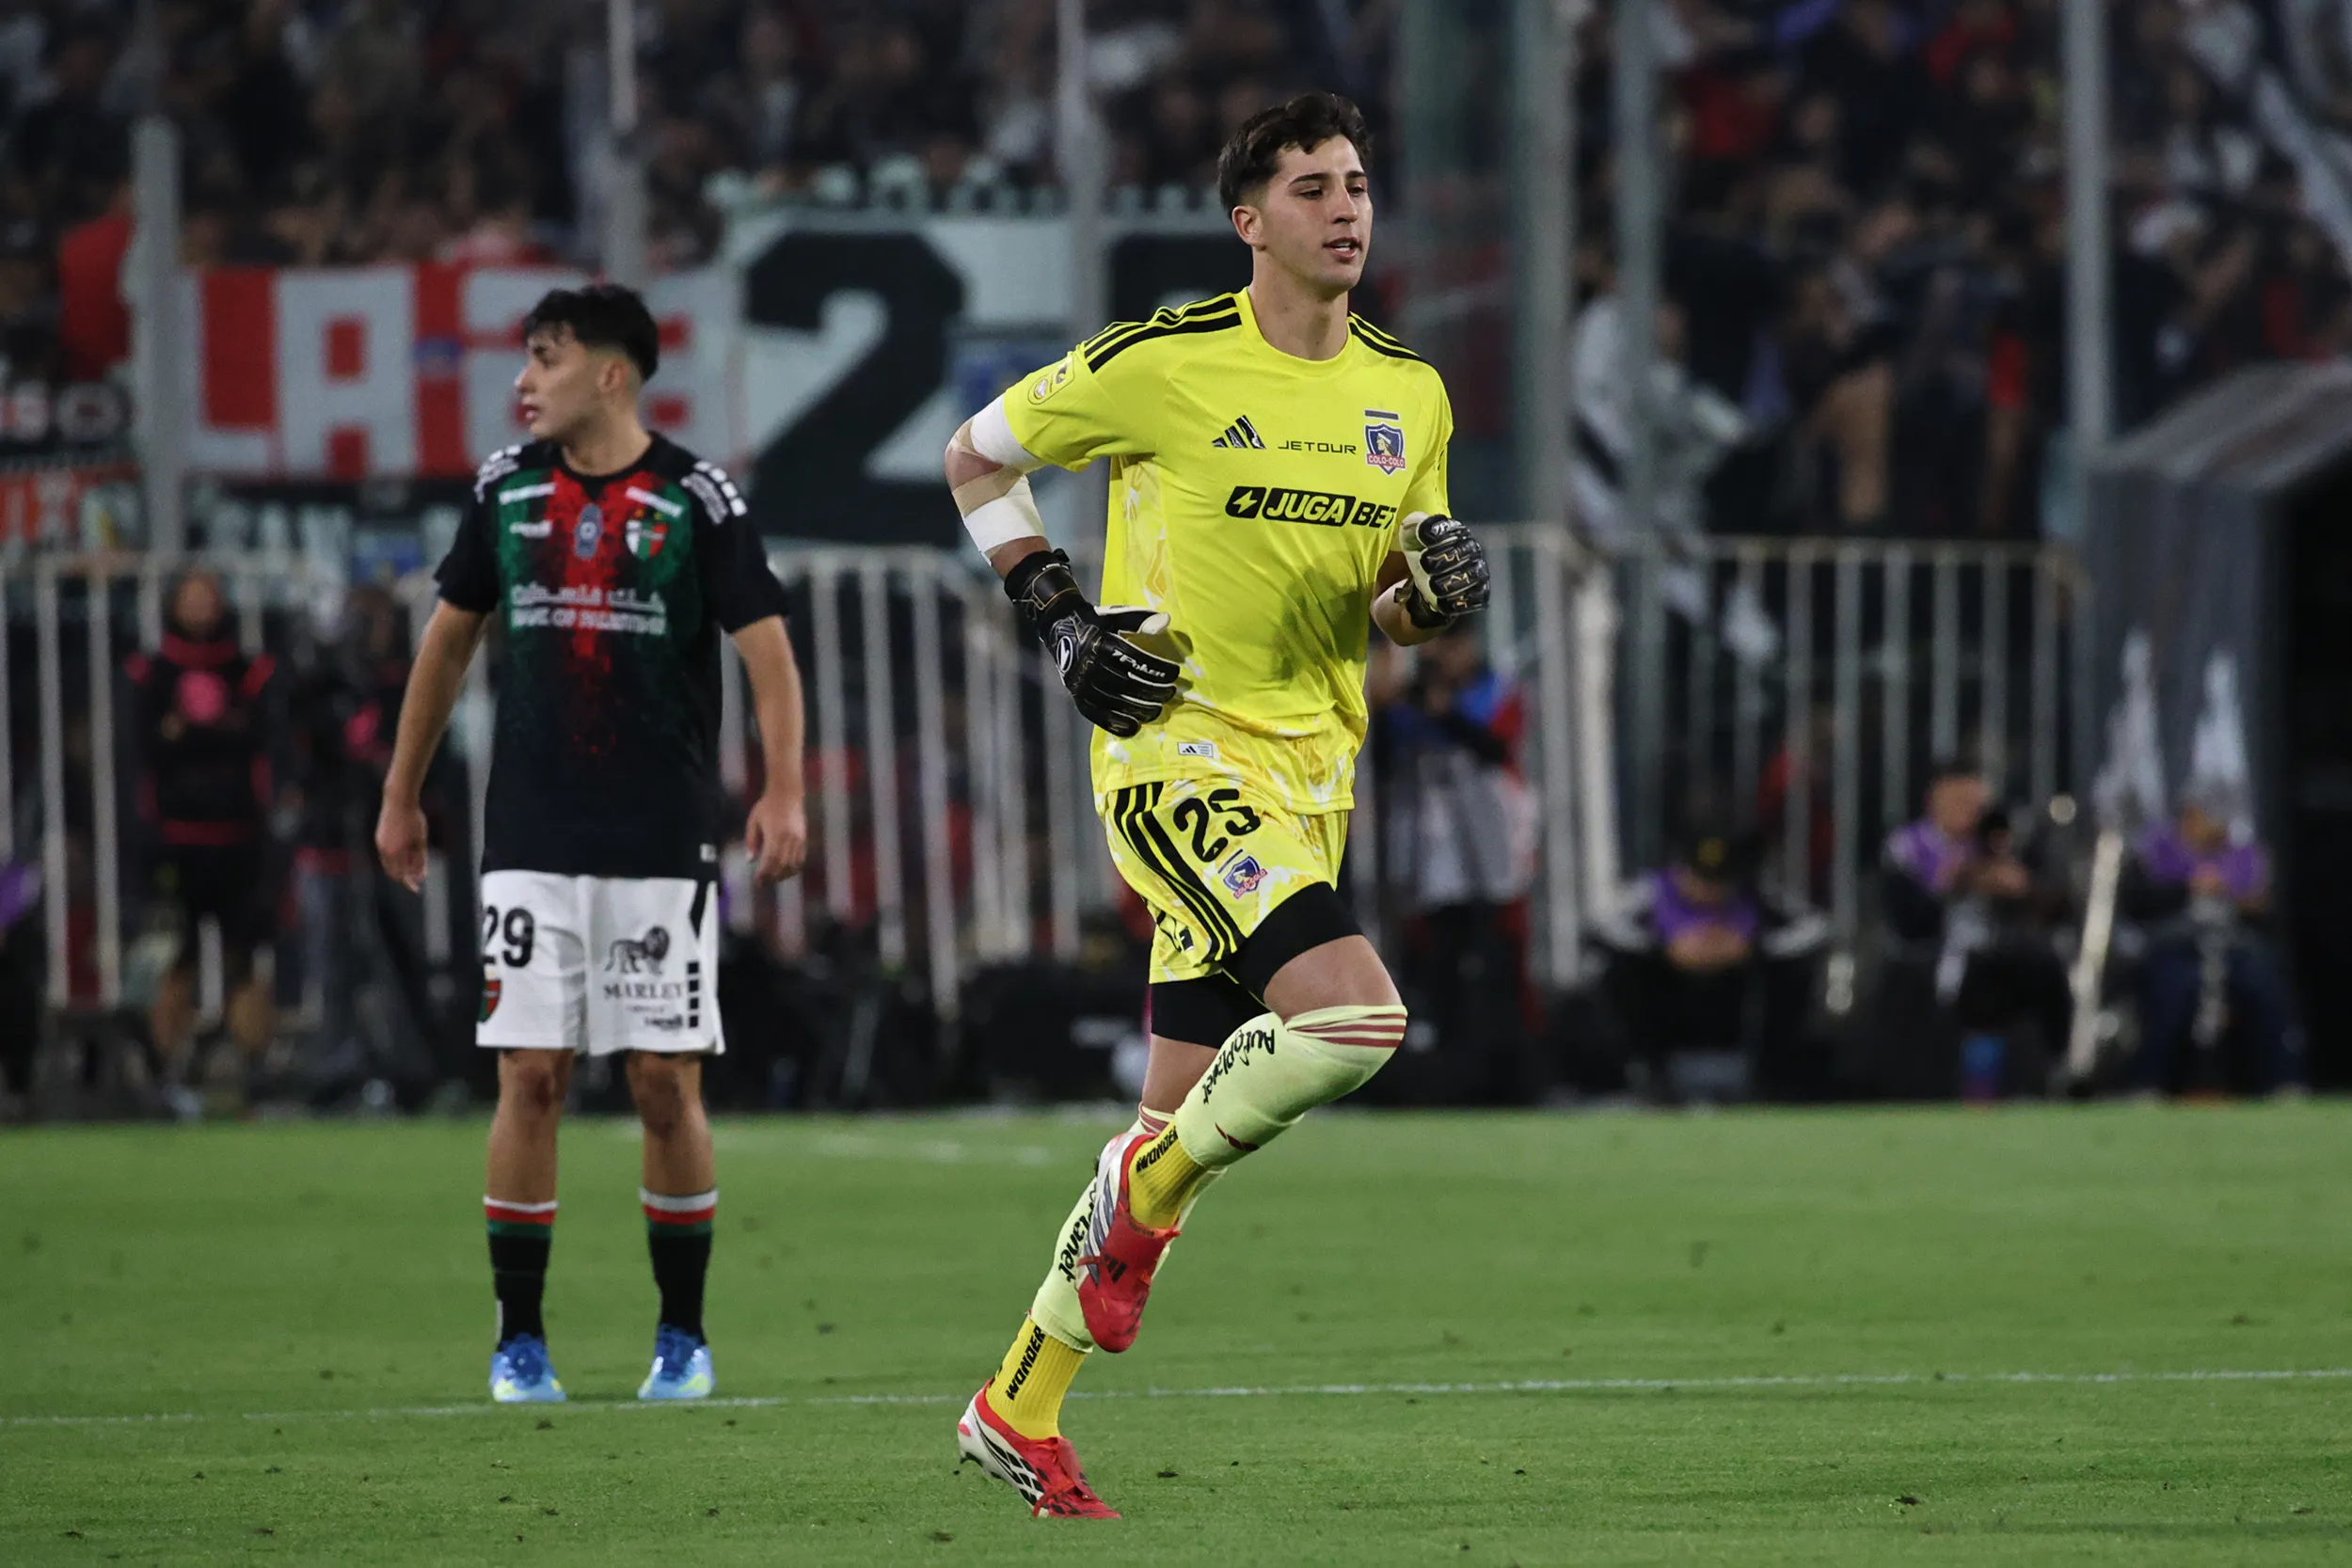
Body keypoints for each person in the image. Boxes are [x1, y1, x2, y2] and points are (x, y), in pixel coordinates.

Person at [939, 93, 1490, 1517]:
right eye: (1312, 187)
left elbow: (1384, 599)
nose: (1347, 207)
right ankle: (1140, 1196)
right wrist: (1054, 608)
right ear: (1251, 223)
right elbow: (975, 456)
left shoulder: (1408, 396)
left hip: (1316, 774)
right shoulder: (1166, 364)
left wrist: (1419, 605)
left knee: (1171, 1117)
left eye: (1359, 182)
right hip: (1176, 753)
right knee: (1355, 1017)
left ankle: (1017, 1405)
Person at [374, 284, 809, 1406]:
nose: (525, 379)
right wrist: (401, 792)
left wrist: (783, 790)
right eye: (526, 358)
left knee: (664, 1081)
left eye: (547, 358)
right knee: (530, 1073)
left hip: (660, 836)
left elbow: (766, 651)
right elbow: (447, 642)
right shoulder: (504, 488)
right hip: (530, 828)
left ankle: (682, 1334)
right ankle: (519, 1337)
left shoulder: (696, 497)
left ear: (612, 373)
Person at [125, 569, 278, 1116]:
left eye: (209, 595)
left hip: (239, 843)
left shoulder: (250, 671)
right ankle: (162, 1079)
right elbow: (148, 750)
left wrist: (190, 736)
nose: (201, 605)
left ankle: (255, 1082)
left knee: (244, 962)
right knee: (175, 963)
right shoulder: (150, 672)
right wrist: (216, 737)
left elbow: (259, 740)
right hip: (176, 844)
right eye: (191, 595)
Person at [1880, 760, 2072, 1097]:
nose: (1970, 813)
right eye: (1960, 803)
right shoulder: (1908, 848)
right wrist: (1953, 884)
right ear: (1935, 803)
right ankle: (1978, 1092)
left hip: (2003, 953)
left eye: (1977, 805)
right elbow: (1908, 922)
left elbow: (2058, 906)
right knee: (1987, 985)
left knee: (2045, 969)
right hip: (1936, 959)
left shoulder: (2003, 844)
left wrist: (2023, 889)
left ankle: (2058, 1073)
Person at [1594, 828, 1825, 1101]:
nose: (1710, 893)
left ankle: (1770, 1079)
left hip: (1735, 1004)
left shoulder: (1758, 897)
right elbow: (1602, 928)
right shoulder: (1650, 894)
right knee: (1618, 973)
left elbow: (1815, 929)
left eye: (1719, 883)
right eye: (1701, 881)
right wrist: (1665, 950)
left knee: (1793, 975)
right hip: (1668, 1003)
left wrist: (1751, 949)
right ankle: (1645, 1073)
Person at [2120, 792, 2298, 1094]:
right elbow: (2137, 905)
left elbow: (2268, 915)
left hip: (2232, 950)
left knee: (2264, 987)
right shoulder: (2159, 851)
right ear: (2189, 818)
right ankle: (2147, 1084)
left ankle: (2284, 1083)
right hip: (2175, 948)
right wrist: (2188, 886)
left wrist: (2238, 896)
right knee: (2170, 994)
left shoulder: (2242, 856)